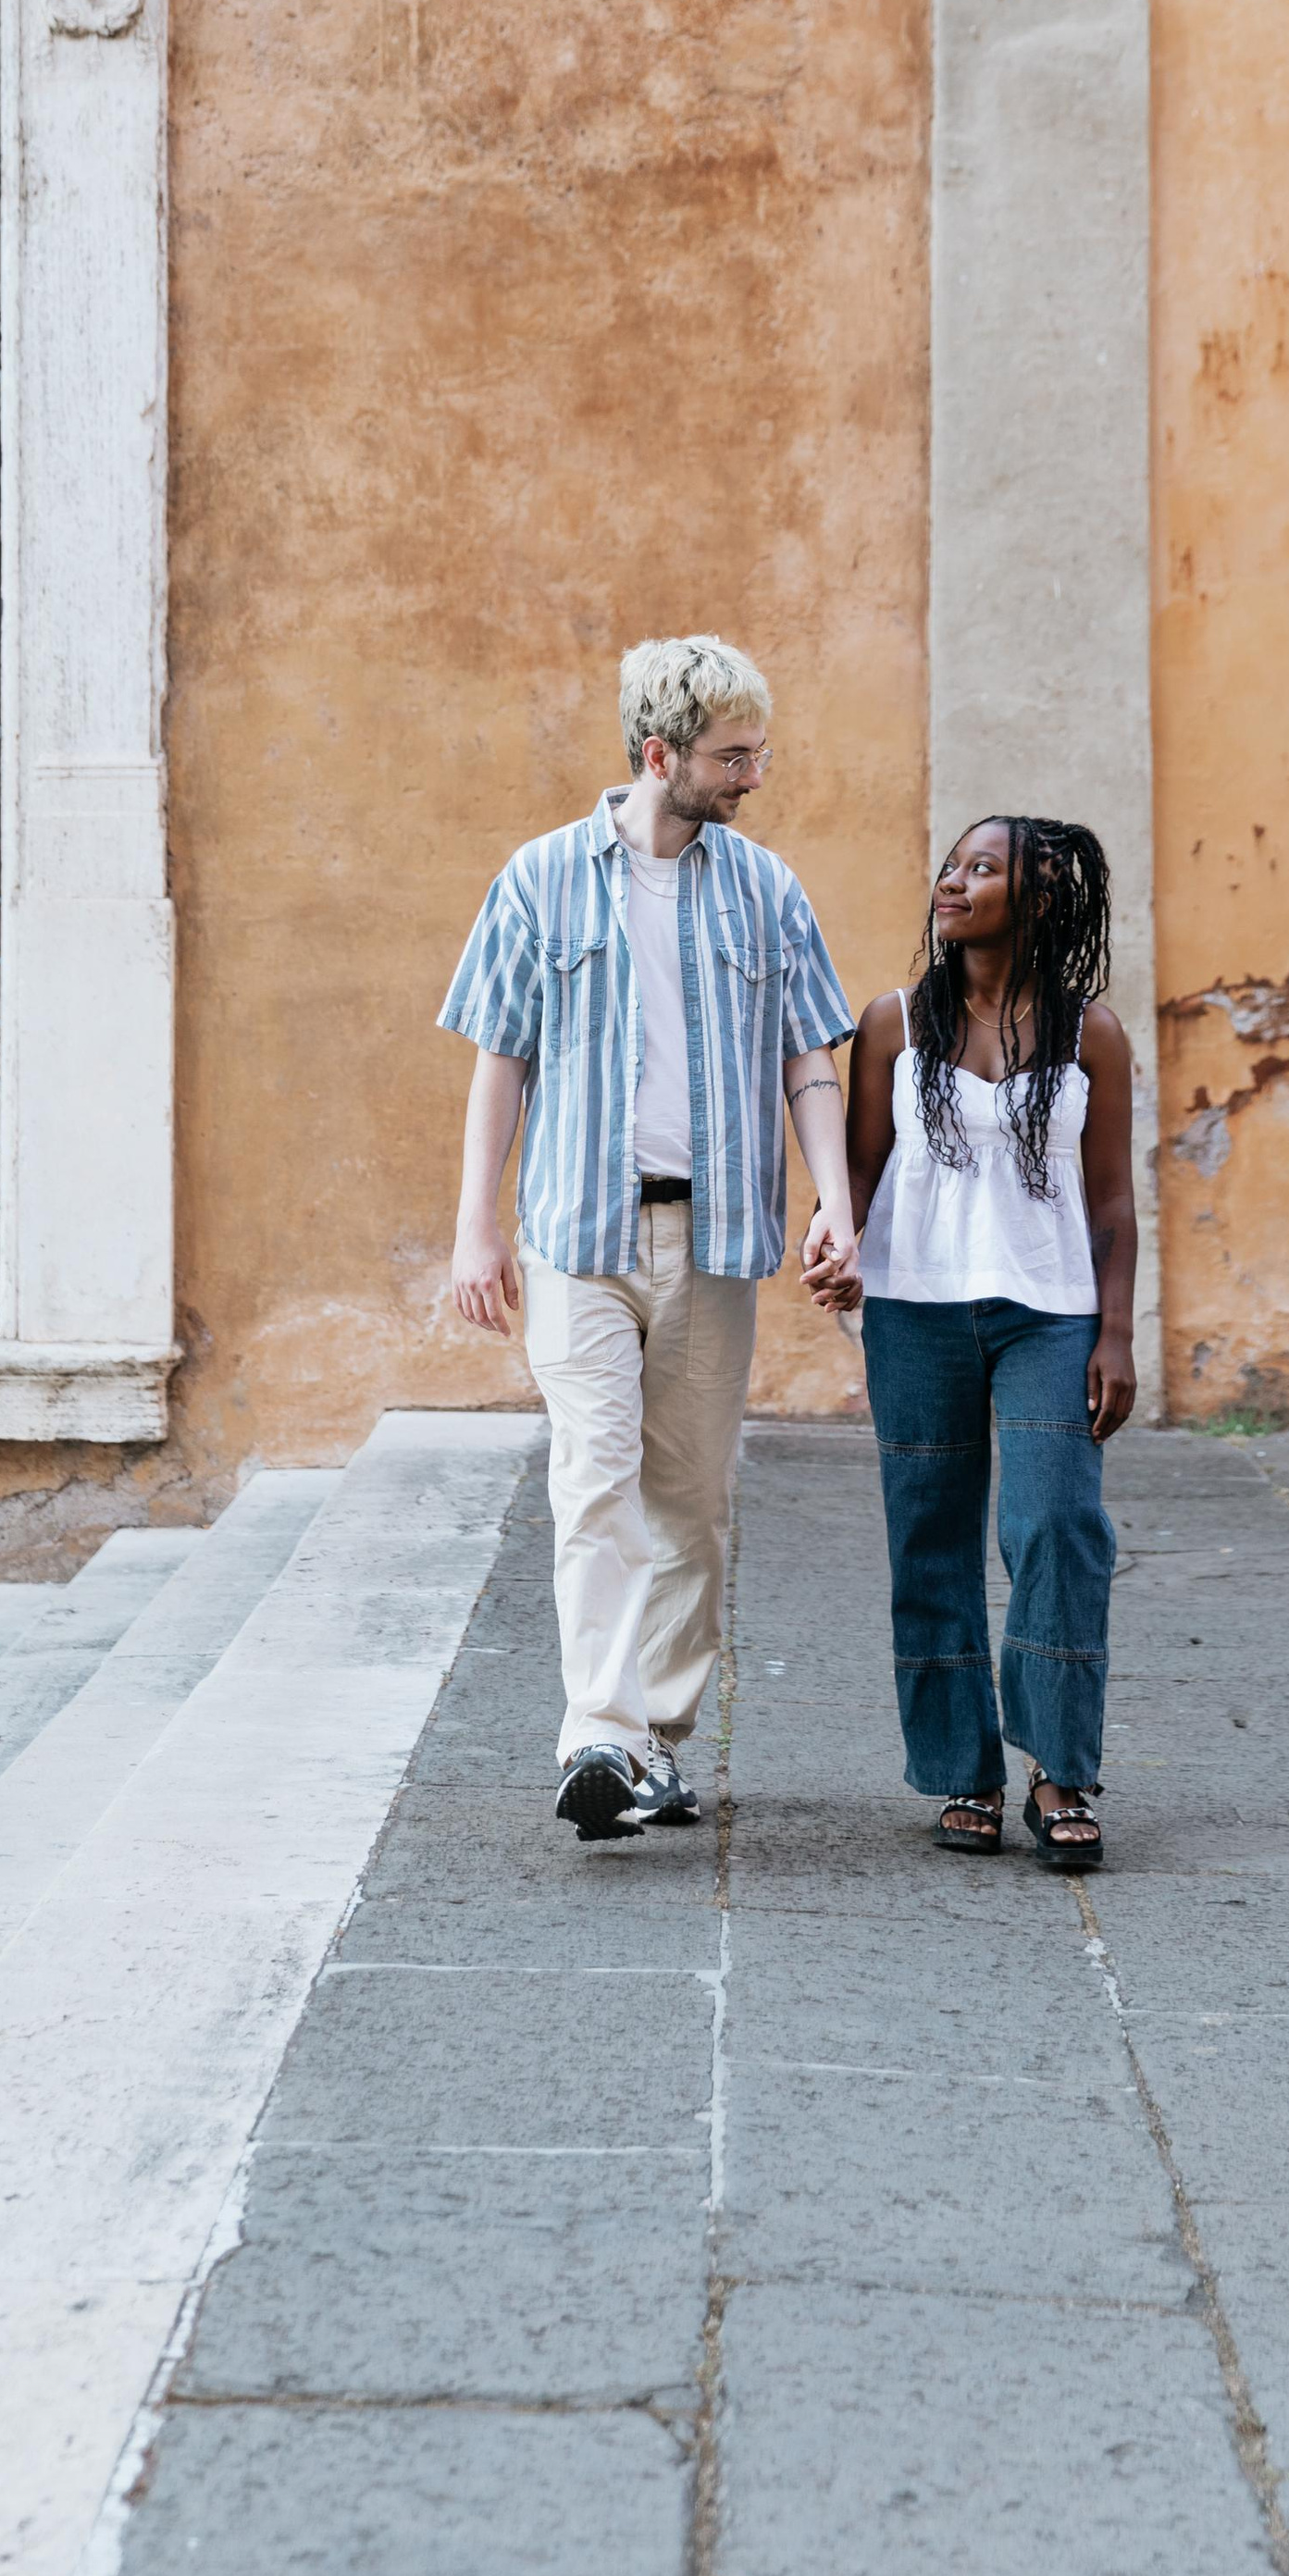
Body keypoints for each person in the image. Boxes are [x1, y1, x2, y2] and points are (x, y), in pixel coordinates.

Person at [441, 637, 858, 1839]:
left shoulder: (766, 889)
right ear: (659, 754)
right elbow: (499, 1057)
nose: (754, 777)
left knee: (688, 1504)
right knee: (594, 1480)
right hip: (578, 1232)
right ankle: (600, 1735)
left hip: (715, 1237)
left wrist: (835, 1201)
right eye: (734, 756)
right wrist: (478, 1229)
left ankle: (656, 1740)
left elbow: (806, 1059)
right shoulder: (539, 880)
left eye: (759, 752)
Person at [805, 817, 1137, 1867]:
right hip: (916, 1308)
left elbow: (1115, 1202)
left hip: (1050, 1312)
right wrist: (835, 1236)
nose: (952, 882)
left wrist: (1116, 1333)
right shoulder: (893, 1022)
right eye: (951, 866)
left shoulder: (1094, 1034)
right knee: (930, 1536)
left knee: (1056, 1525)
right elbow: (855, 1172)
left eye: (981, 869)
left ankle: (1059, 1768)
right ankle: (963, 1770)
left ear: (1037, 897)